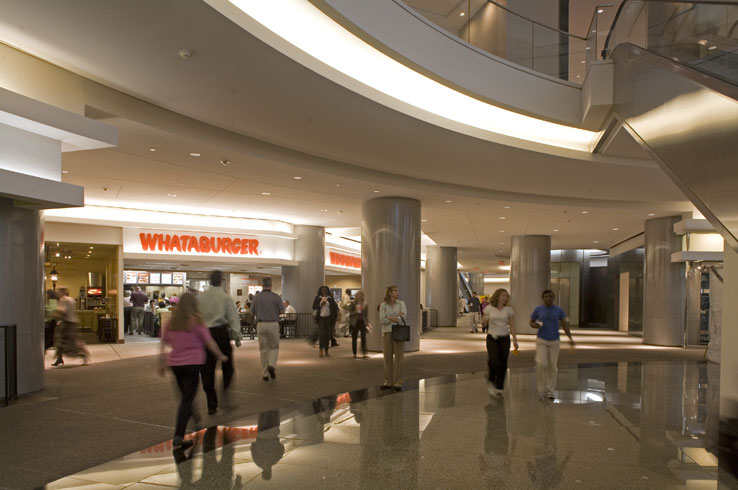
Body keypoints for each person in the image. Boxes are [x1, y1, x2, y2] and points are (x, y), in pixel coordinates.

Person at [159, 292, 228, 449]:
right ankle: (178, 435)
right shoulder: (196, 321)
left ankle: (196, 419)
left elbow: (164, 343)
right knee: (186, 399)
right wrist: (220, 355)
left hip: (175, 365)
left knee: (185, 396)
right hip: (192, 364)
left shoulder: (172, 322)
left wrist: (162, 363)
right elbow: (209, 342)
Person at [198, 270, 241, 414]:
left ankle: (211, 402)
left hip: (205, 335)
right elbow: (233, 319)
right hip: (221, 333)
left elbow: (196, 317)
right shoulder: (225, 298)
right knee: (228, 367)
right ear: (221, 281)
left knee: (207, 369)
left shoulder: (200, 297)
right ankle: (224, 393)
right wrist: (237, 337)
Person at [529, 289, 574, 401]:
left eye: (550, 296)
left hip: (554, 340)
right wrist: (534, 325)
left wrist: (570, 338)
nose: (548, 298)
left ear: (553, 298)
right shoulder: (538, 309)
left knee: (553, 366)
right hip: (542, 340)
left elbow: (564, 324)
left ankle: (551, 391)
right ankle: (540, 390)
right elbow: (531, 321)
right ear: (542, 298)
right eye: (546, 297)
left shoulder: (558, 310)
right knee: (541, 363)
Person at [482, 288, 519, 397]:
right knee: (494, 361)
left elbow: (512, 326)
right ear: (497, 296)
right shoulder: (489, 308)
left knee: (503, 363)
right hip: (492, 338)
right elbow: (483, 324)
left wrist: (515, 340)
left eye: (506, 296)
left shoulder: (508, 310)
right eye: (503, 295)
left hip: (504, 339)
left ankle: (499, 387)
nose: (505, 298)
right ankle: (491, 379)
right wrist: (485, 321)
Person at [251, 277, 285, 381]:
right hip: (273, 324)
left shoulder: (257, 297)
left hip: (260, 324)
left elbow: (252, 311)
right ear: (271, 285)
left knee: (263, 349)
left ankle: (265, 373)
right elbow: (282, 311)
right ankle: (271, 365)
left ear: (262, 285)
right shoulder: (276, 297)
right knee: (274, 347)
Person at [51, 286, 90, 366]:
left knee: (65, 342)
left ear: (62, 292)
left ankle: (82, 355)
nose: (57, 293)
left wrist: (55, 313)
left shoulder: (63, 300)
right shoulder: (72, 300)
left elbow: (63, 311)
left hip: (67, 324)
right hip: (73, 322)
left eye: (58, 292)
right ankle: (60, 358)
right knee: (69, 341)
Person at [379, 284, 407, 390]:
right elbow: (382, 320)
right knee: (387, 357)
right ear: (390, 293)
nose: (397, 293)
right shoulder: (383, 305)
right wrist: (395, 317)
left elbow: (403, 317)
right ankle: (388, 381)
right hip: (387, 332)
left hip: (398, 331)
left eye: (397, 291)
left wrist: (389, 317)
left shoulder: (401, 304)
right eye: (395, 291)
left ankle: (398, 382)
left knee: (399, 358)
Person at [312, 285, 338, 357]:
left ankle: (326, 350)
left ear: (327, 291)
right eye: (322, 290)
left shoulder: (330, 298)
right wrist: (321, 304)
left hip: (329, 318)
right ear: (320, 291)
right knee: (322, 334)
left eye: (325, 290)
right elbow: (314, 307)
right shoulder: (317, 298)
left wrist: (335, 316)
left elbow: (334, 308)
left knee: (327, 335)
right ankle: (320, 350)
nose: (324, 291)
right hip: (321, 318)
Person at [348, 290, 371, 359]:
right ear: (356, 296)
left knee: (363, 338)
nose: (360, 296)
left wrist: (368, 324)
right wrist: (356, 311)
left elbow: (366, 315)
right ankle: (354, 354)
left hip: (362, 322)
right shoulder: (353, 303)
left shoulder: (365, 304)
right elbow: (350, 313)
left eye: (361, 295)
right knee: (354, 338)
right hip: (355, 322)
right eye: (359, 295)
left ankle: (364, 353)